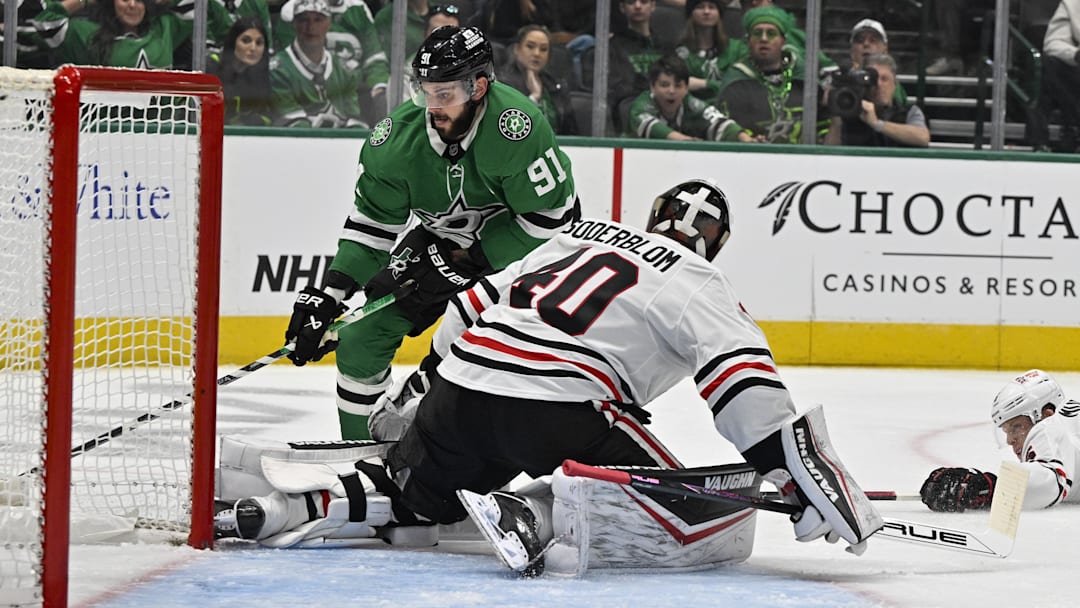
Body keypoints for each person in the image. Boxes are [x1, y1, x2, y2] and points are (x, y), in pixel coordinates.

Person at [215, 178, 883, 576]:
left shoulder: (582, 235)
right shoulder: (698, 278)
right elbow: (742, 384)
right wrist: (799, 474)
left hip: (464, 388)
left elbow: (470, 306)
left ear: (652, 218)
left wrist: (421, 393)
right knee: (704, 519)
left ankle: (294, 505)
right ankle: (536, 508)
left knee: (419, 503)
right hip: (561, 410)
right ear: (717, 243)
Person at [282, 25, 580, 440]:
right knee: (362, 337)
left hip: (525, 258)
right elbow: (373, 224)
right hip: (446, 246)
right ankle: (361, 449)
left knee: (484, 360)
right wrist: (329, 294)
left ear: (479, 87)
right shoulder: (394, 142)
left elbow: (553, 221)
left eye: (446, 94)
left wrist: (471, 261)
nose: (433, 106)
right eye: (425, 91)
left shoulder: (516, 127)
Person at [920, 369, 1080, 512]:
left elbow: (1051, 483)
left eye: (1017, 427)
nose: (1010, 440)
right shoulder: (1071, 424)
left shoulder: (1051, 425)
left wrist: (990, 488)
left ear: (1046, 415)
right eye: (1006, 431)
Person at [716, 5, 829, 144]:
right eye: (757, 33)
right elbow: (728, 127)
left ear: (783, 41)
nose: (764, 39)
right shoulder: (736, 82)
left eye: (771, 33)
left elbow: (825, 130)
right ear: (748, 41)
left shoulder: (806, 80)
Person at [274, 0, 390, 120]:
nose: (311, 26)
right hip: (311, 96)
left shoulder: (357, 8)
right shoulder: (294, 9)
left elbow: (374, 56)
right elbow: (293, 63)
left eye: (318, 20)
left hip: (356, 92)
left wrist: (379, 87)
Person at [31, 0, 204, 68]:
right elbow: (46, 23)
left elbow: (198, 4)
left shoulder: (164, 27)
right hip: (103, 133)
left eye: (140, 0)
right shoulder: (86, 33)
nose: (132, 5)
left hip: (160, 135)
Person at [628, 54, 749, 141]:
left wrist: (745, 138)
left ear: (686, 88)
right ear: (652, 87)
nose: (671, 91)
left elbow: (718, 122)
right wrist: (683, 140)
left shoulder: (690, 103)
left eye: (678, 85)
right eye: (664, 85)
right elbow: (651, 125)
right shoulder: (643, 103)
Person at [823, 53, 929, 148]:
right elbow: (829, 153)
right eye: (873, 79)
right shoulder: (849, 115)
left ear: (895, 84)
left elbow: (922, 137)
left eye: (884, 79)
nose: (878, 85)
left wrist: (876, 124)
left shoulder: (910, 112)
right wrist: (837, 112)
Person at [498, 24, 577, 135]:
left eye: (543, 49)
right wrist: (533, 98)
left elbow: (571, 131)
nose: (537, 53)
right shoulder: (503, 85)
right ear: (517, 49)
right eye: (530, 46)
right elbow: (506, 126)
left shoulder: (556, 86)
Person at [607, 0, 668, 134]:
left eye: (644, 1)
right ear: (622, 7)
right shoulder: (612, 47)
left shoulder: (665, 45)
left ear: (653, 6)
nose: (638, 6)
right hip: (631, 107)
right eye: (631, 2)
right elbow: (618, 88)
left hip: (666, 104)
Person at [673, 0, 746, 102]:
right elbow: (676, 90)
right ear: (691, 14)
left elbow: (741, 87)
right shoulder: (681, 53)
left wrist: (704, 84)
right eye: (700, 7)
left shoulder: (737, 48)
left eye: (711, 7)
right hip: (696, 111)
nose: (706, 12)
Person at [207, 16, 273, 126]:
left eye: (259, 43)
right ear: (233, 42)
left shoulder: (263, 76)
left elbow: (269, 115)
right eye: (246, 40)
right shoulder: (210, 68)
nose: (253, 48)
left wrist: (257, 121)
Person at [1039, 0, 1080, 152]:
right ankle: (1071, 131)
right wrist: (1075, 54)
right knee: (1052, 65)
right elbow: (1053, 43)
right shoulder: (1073, 4)